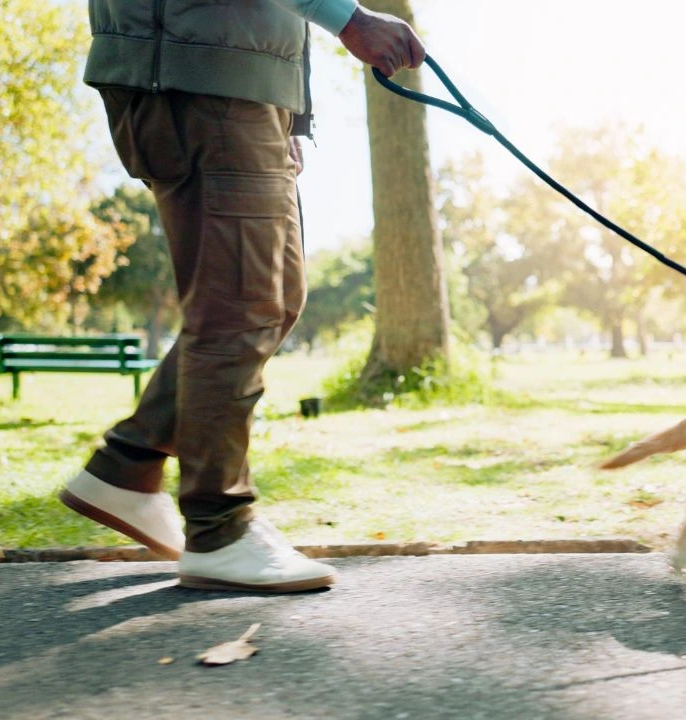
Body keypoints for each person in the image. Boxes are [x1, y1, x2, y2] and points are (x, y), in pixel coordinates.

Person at [59, 0, 425, 592]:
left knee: (275, 297)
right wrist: (350, 19)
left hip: (235, 81)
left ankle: (127, 466)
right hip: (202, 77)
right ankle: (219, 528)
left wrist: (289, 115)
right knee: (239, 307)